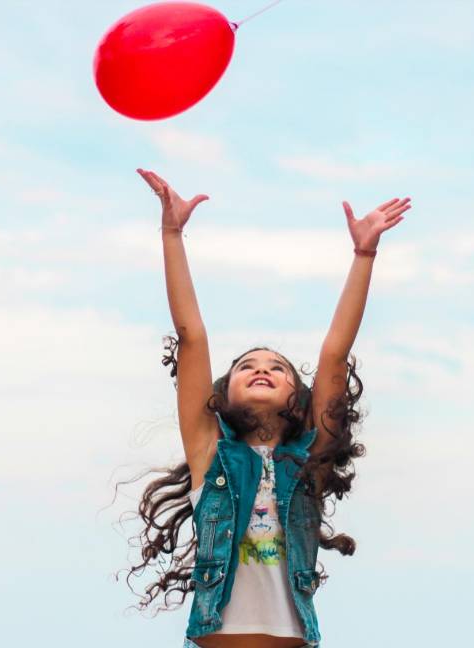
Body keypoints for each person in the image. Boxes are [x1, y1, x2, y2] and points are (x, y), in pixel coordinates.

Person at [119, 168, 410, 647]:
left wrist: (364, 254)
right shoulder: (209, 454)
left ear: (298, 396)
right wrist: (172, 233)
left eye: (278, 368)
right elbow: (191, 335)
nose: (261, 369)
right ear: (223, 393)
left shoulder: (308, 463)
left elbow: (334, 354)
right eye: (246, 366)